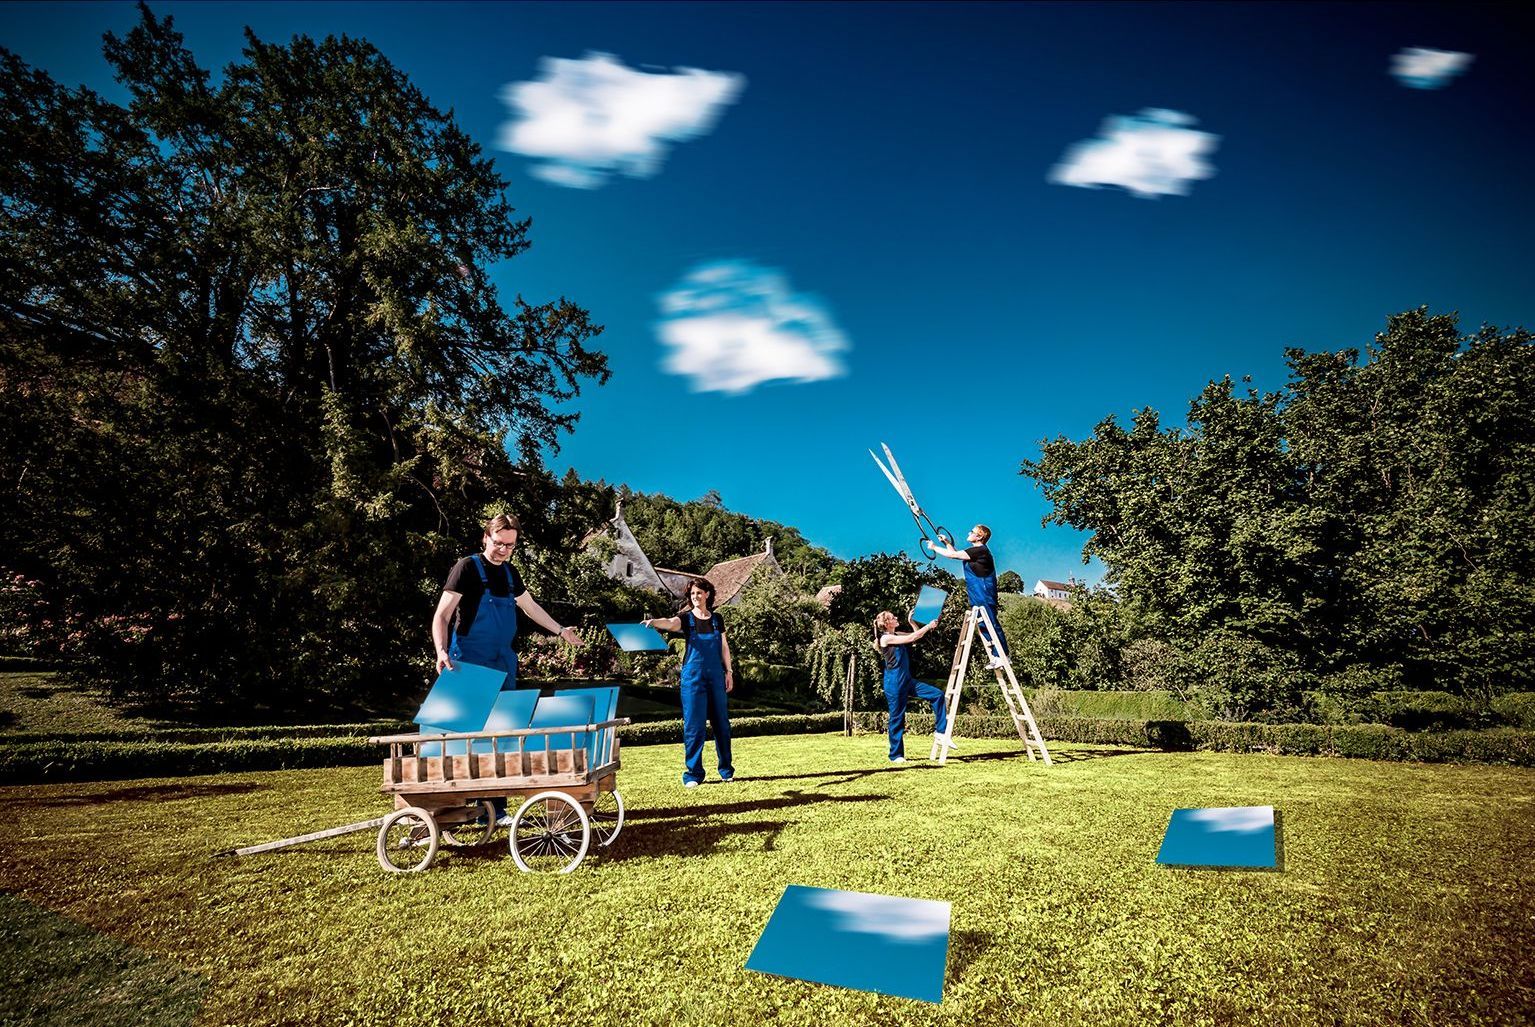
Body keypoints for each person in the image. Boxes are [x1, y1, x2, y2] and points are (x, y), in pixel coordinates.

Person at [431, 513, 583, 825]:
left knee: (502, 734)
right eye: (499, 543)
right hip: (469, 660)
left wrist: (561, 631)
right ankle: (444, 810)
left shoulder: (511, 574)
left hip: (503, 662)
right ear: (485, 538)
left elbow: (531, 608)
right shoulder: (466, 567)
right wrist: (441, 651)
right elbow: (442, 615)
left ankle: (495, 811)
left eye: (510, 546)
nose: (503, 550)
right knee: (461, 735)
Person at [645, 578, 734, 788]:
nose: (695, 597)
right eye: (692, 593)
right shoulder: (686, 618)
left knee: (722, 724)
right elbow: (670, 623)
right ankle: (693, 774)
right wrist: (655, 622)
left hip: (716, 676)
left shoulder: (717, 619)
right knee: (694, 726)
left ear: (707, 594)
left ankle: (726, 770)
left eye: (699, 593)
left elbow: (724, 646)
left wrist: (729, 671)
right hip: (693, 678)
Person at [874, 608, 951, 763]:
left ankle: (941, 732)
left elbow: (916, 636)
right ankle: (896, 755)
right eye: (893, 617)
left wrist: (912, 622)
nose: (896, 617)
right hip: (894, 683)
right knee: (897, 718)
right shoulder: (885, 639)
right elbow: (912, 637)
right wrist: (928, 626)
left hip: (907, 680)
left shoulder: (896, 634)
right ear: (887, 623)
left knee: (937, 695)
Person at [927, 524, 1009, 668]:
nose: (969, 533)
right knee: (983, 625)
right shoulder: (975, 552)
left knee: (991, 623)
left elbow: (953, 555)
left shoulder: (980, 550)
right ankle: (997, 656)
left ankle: (1003, 656)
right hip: (976, 593)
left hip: (984, 593)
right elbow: (956, 554)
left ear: (979, 536)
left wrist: (934, 547)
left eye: (972, 532)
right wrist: (946, 542)